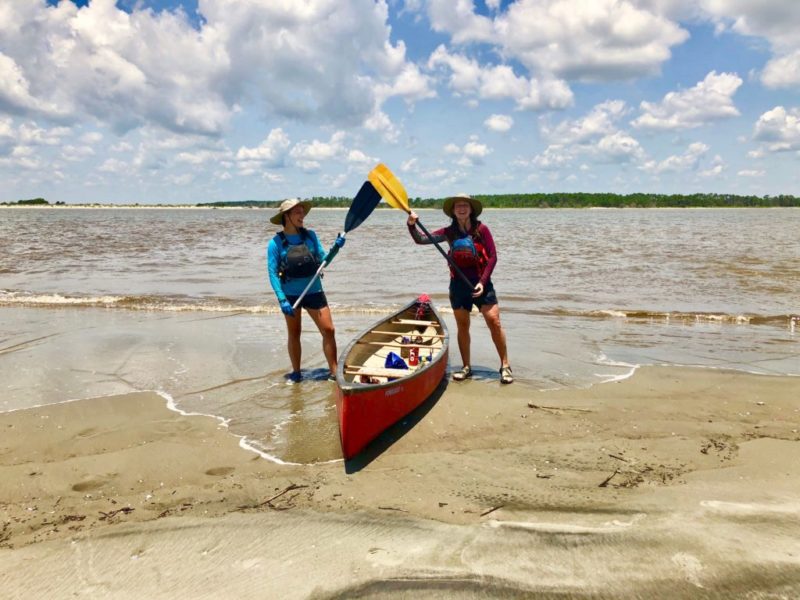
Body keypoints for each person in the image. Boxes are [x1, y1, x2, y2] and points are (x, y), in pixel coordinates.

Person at [406, 194, 513, 384]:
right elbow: (421, 240)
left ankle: (505, 366)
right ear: (453, 211)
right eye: (458, 206)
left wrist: (483, 281)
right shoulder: (449, 232)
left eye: (465, 205)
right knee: (463, 326)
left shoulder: (482, 230)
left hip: (481, 284)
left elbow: (493, 256)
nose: (462, 208)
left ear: (471, 209)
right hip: (458, 286)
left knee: (494, 321)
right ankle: (466, 367)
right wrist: (412, 224)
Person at [267, 198, 345, 383]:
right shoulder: (275, 243)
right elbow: (272, 273)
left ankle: (334, 372)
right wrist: (281, 299)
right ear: (286, 216)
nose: (302, 215)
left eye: (303, 212)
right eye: (297, 212)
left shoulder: (310, 236)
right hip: (291, 295)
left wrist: (336, 248)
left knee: (329, 330)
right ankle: (296, 372)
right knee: (294, 333)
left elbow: (324, 260)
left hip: (314, 291)